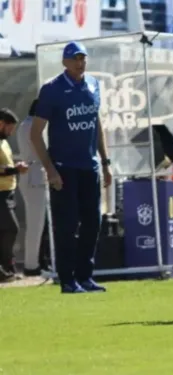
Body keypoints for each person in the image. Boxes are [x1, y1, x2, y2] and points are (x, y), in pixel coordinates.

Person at [30, 42, 113, 294]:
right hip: (64, 169)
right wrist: (50, 170)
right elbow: (36, 134)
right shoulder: (52, 90)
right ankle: (67, 281)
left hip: (90, 167)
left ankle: (85, 277)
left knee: (93, 223)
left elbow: (96, 124)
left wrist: (106, 162)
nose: (80, 63)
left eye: (83, 59)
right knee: (66, 226)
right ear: (65, 62)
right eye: (75, 59)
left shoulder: (93, 85)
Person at [16, 99, 51, 276]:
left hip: (32, 172)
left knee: (37, 223)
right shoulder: (32, 126)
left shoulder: (24, 125)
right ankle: (31, 264)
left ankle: (37, 260)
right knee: (36, 223)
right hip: (34, 173)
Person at [0, 108, 26, 282]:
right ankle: (5, 267)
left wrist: (15, 167)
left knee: (6, 230)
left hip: (8, 192)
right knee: (11, 228)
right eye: (9, 128)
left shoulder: (4, 142)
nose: (11, 132)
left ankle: (6, 268)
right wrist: (14, 170)